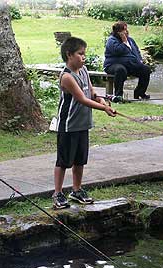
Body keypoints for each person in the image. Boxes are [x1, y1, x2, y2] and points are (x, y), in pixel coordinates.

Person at [52, 37, 117, 209]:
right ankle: (58, 193)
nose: (84, 57)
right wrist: (104, 109)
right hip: (68, 125)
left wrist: (102, 101)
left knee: (80, 159)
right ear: (69, 55)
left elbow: (91, 93)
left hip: (83, 124)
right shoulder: (67, 77)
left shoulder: (84, 71)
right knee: (64, 160)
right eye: (80, 54)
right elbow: (81, 98)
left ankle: (76, 190)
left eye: (84, 54)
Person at [103, 21, 151, 100]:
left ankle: (139, 92)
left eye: (126, 29)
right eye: (124, 30)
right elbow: (118, 51)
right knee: (120, 70)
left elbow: (136, 51)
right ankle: (119, 95)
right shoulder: (111, 40)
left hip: (129, 65)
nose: (126, 31)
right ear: (118, 32)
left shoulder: (130, 40)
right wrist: (124, 42)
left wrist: (139, 60)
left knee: (145, 69)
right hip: (112, 65)